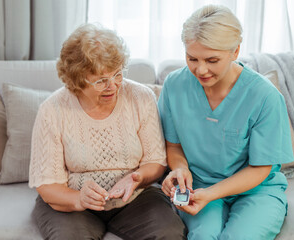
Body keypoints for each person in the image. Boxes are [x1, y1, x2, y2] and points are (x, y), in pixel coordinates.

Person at [28, 23, 186, 240]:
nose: (113, 86)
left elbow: (156, 161)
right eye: (101, 80)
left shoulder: (141, 97)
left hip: (137, 197)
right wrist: (79, 199)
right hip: (73, 202)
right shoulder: (52, 109)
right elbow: (48, 184)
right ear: (77, 79)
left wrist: (137, 177)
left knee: (170, 233)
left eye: (117, 75)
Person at [158, 4, 294, 240]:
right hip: (199, 184)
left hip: (257, 190)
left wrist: (211, 194)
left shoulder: (265, 96)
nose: (200, 69)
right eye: (192, 58)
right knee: (202, 236)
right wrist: (180, 169)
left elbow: (261, 168)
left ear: (235, 51)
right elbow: (174, 146)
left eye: (212, 60)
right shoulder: (175, 85)